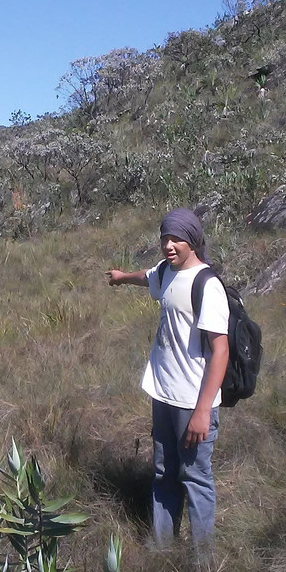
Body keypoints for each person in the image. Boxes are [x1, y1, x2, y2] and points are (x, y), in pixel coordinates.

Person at [105, 208, 229, 551]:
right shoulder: (166, 271)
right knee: (163, 473)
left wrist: (203, 411)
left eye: (177, 239)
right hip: (163, 394)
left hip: (193, 402)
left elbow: (220, 351)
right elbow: (147, 277)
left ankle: (202, 560)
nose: (169, 246)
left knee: (195, 478)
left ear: (193, 241)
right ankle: (163, 548)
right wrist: (121, 277)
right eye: (164, 239)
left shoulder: (207, 285)